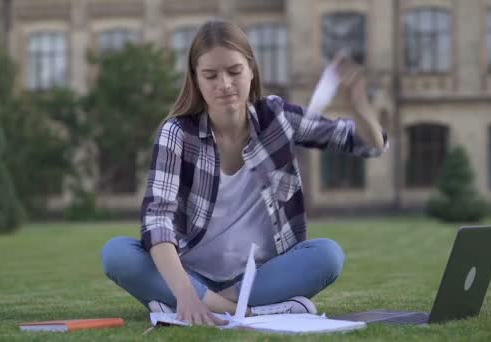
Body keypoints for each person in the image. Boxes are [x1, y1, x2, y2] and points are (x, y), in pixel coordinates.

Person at [101, 20, 387, 326]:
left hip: (259, 277)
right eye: (210, 75)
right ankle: (247, 312)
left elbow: (369, 145)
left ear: (251, 71)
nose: (224, 84)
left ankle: (191, 307)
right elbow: (157, 220)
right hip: (189, 274)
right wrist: (185, 291)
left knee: (328, 255)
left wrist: (359, 105)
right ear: (196, 80)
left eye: (234, 72)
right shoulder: (177, 133)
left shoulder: (277, 118)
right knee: (117, 254)